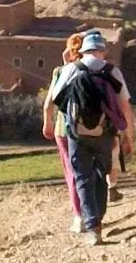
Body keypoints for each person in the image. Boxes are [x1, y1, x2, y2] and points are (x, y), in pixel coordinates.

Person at [43, 31, 134, 246]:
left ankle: (93, 227)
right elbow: (125, 108)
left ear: (83, 50)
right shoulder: (113, 71)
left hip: (77, 134)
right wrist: (128, 137)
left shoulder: (72, 69)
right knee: (101, 174)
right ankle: (99, 218)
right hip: (105, 134)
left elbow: (56, 99)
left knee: (83, 178)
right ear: (102, 50)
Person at [45, 33, 87, 232]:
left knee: (71, 172)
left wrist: (47, 123)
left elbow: (49, 103)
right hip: (90, 127)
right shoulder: (94, 69)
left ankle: (78, 216)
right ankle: (93, 213)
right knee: (89, 170)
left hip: (64, 128)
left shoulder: (60, 71)